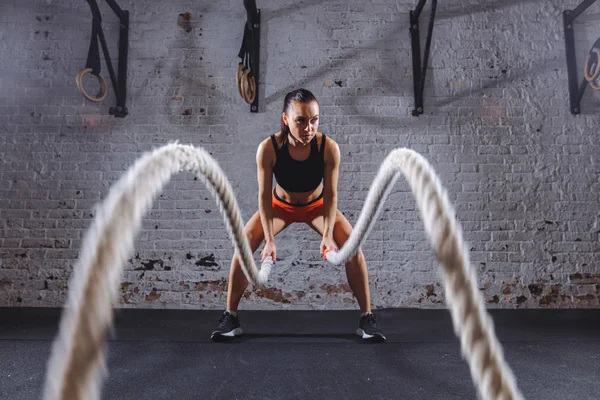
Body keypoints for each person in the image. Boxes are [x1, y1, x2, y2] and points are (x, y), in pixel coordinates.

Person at [211, 88, 385, 342]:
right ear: (286, 120)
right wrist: (269, 240)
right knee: (243, 246)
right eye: (301, 121)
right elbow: (263, 197)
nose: (308, 127)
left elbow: (332, 194)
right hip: (279, 206)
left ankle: (366, 319)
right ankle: (230, 317)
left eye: (314, 120)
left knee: (353, 250)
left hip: (319, 206)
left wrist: (328, 235)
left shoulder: (329, 148)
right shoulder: (268, 148)